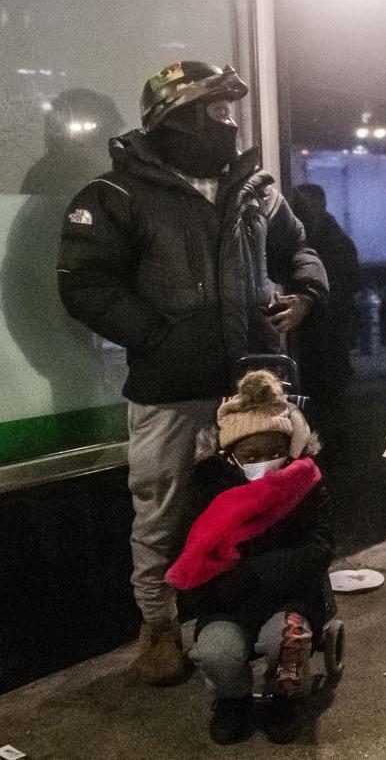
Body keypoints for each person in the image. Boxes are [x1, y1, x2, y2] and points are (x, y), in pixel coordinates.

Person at [57, 61, 327, 686]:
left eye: (231, 110)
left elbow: (300, 248)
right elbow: (85, 284)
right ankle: (157, 626)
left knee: (276, 499)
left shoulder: (257, 187)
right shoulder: (115, 195)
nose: (228, 122)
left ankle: (278, 612)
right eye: (216, 111)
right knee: (161, 511)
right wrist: (158, 337)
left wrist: (307, 293)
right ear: (175, 117)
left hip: (255, 384)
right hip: (169, 392)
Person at [168, 371, 332, 745]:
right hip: (229, 601)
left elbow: (320, 546)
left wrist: (255, 572)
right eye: (252, 456)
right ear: (231, 457)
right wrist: (215, 591)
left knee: (284, 641)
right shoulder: (210, 492)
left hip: (289, 596)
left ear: (289, 448)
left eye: (275, 452)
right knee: (214, 652)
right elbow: (193, 556)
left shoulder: (306, 484)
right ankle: (233, 700)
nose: (265, 462)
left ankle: (282, 698)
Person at [289, 184, 360, 421]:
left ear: (320, 205)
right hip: (320, 337)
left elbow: (345, 290)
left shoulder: (334, 243)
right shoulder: (315, 237)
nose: (300, 212)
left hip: (327, 337)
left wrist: (313, 304)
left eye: (304, 206)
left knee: (330, 404)